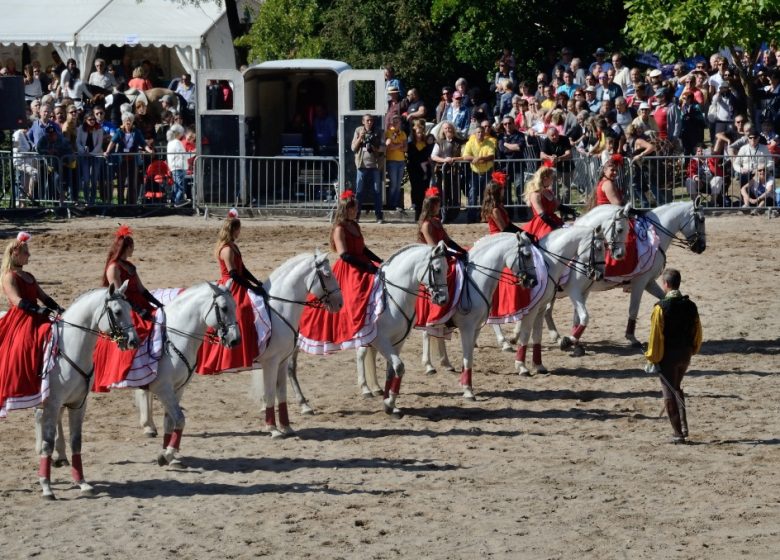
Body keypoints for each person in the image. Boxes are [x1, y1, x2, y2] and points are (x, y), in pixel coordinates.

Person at [298, 191, 383, 352]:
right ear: (345, 209)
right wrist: (367, 267)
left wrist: (379, 261)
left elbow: (363, 249)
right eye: (353, 208)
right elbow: (344, 255)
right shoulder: (339, 229)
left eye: (356, 208)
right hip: (350, 269)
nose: (355, 211)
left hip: (362, 263)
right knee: (356, 298)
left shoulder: (355, 225)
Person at [92, 225, 164, 393]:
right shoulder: (113, 268)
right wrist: (139, 311)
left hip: (140, 303)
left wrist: (157, 305)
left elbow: (142, 289)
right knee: (141, 330)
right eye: (132, 246)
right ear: (127, 247)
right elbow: (120, 296)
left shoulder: (130, 266)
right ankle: (137, 371)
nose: (134, 249)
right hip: (126, 307)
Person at [0, 232, 63, 418]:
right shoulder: (9, 277)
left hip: (37, 314)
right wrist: (38, 311)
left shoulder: (29, 276)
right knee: (28, 344)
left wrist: (59, 309)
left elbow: (43, 297)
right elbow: (17, 301)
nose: (29, 255)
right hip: (22, 318)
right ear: (15, 254)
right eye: (26, 252)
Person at [197, 210, 266, 375]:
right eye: (238, 229)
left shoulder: (233, 246)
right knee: (241, 311)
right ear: (233, 229)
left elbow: (243, 269)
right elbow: (234, 274)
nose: (239, 232)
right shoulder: (226, 249)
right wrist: (251, 287)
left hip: (238, 283)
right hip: (231, 286)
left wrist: (256, 282)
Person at [644, 268, 702, 444]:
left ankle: (678, 434)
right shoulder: (691, 305)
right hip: (686, 354)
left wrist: (652, 358)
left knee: (669, 392)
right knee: (676, 387)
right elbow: (697, 332)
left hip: (668, 356)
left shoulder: (660, 308)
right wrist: (692, 349)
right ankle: (683, 427)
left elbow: (655, 336)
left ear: (666, 284)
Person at [104, 112, 153, 205]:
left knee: (132, 183)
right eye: (126, 121)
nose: (128, 122)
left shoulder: (136, 132)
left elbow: (143, 143)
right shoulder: (119, 132)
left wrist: (149, 150)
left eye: (130, 120)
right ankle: (120, 203)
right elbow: (112, 142)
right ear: (123, 122)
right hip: (122, 160)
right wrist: (107, 151)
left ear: (132, 122)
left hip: (132, 159)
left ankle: (131, 204)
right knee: (121, 182)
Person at [521, 165, 571, 240]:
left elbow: (559, 206)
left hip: (552, 219)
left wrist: (572, 211)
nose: (552, 180)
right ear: (545, 178)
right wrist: (555, 226)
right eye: (551, 178)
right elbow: (542, 215)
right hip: (542, 223)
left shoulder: (549, 192)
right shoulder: (535, 194)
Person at [351, 114, 385, 223]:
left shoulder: (379, 131)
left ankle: (379, 216)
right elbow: (353, 148)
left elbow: (384, 147)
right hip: (361, 166)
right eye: (367, 120)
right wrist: (361, 138)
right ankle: (356, 216)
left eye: (371, 120)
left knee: (377, 191)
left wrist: (375, 147)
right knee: (359, 192)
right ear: (363, 121)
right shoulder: (358, 130)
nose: (369, 122)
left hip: (375, 166)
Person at [462, 120, 496, 222]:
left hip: (487, 171)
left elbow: (491, 155)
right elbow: (465, 156)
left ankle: (484, 217)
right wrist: (474, 158)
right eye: (478, 132)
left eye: (482, 132)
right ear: (475, 134)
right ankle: (471, 217)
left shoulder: (490, 142)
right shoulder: (470, 143)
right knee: (472, 193)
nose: (480, 134)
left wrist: (479, 159)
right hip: (474, 172)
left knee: (486, 195)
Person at [406, 119, 434, 220]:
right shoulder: (411, 143)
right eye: (418, 132)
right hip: (414, 169)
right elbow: (412, 156)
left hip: (425, 169)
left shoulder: (425, 142)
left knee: (424, 190)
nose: (419, 134)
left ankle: (424, 212)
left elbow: (427, 154)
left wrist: (425, 163)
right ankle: (416, 212)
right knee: (416, 189)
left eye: (421, 132)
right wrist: (421, 162)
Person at [384, 114, 407, 211]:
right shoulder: (388, 133)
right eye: (394, 121)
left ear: (400, 123)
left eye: (398, 121)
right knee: (393, 184)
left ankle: (396, 204)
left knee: (398, 185)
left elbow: (406, 148)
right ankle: (390, 204)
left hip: (401, 161)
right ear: (391, 122)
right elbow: (389, 147)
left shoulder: (403, 134)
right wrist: (400, 145)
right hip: (392, 161)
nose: (396, 123)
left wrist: (396, 145)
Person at [166, 124, 191, 206]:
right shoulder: (177, 142)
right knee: (180, 186)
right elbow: (183, 155)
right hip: (179, 166)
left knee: (176, 186)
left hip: (174, 166)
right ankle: (178, 201)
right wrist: (194, 152)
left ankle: (174, 201)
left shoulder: (170, 143)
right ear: (178, 133)